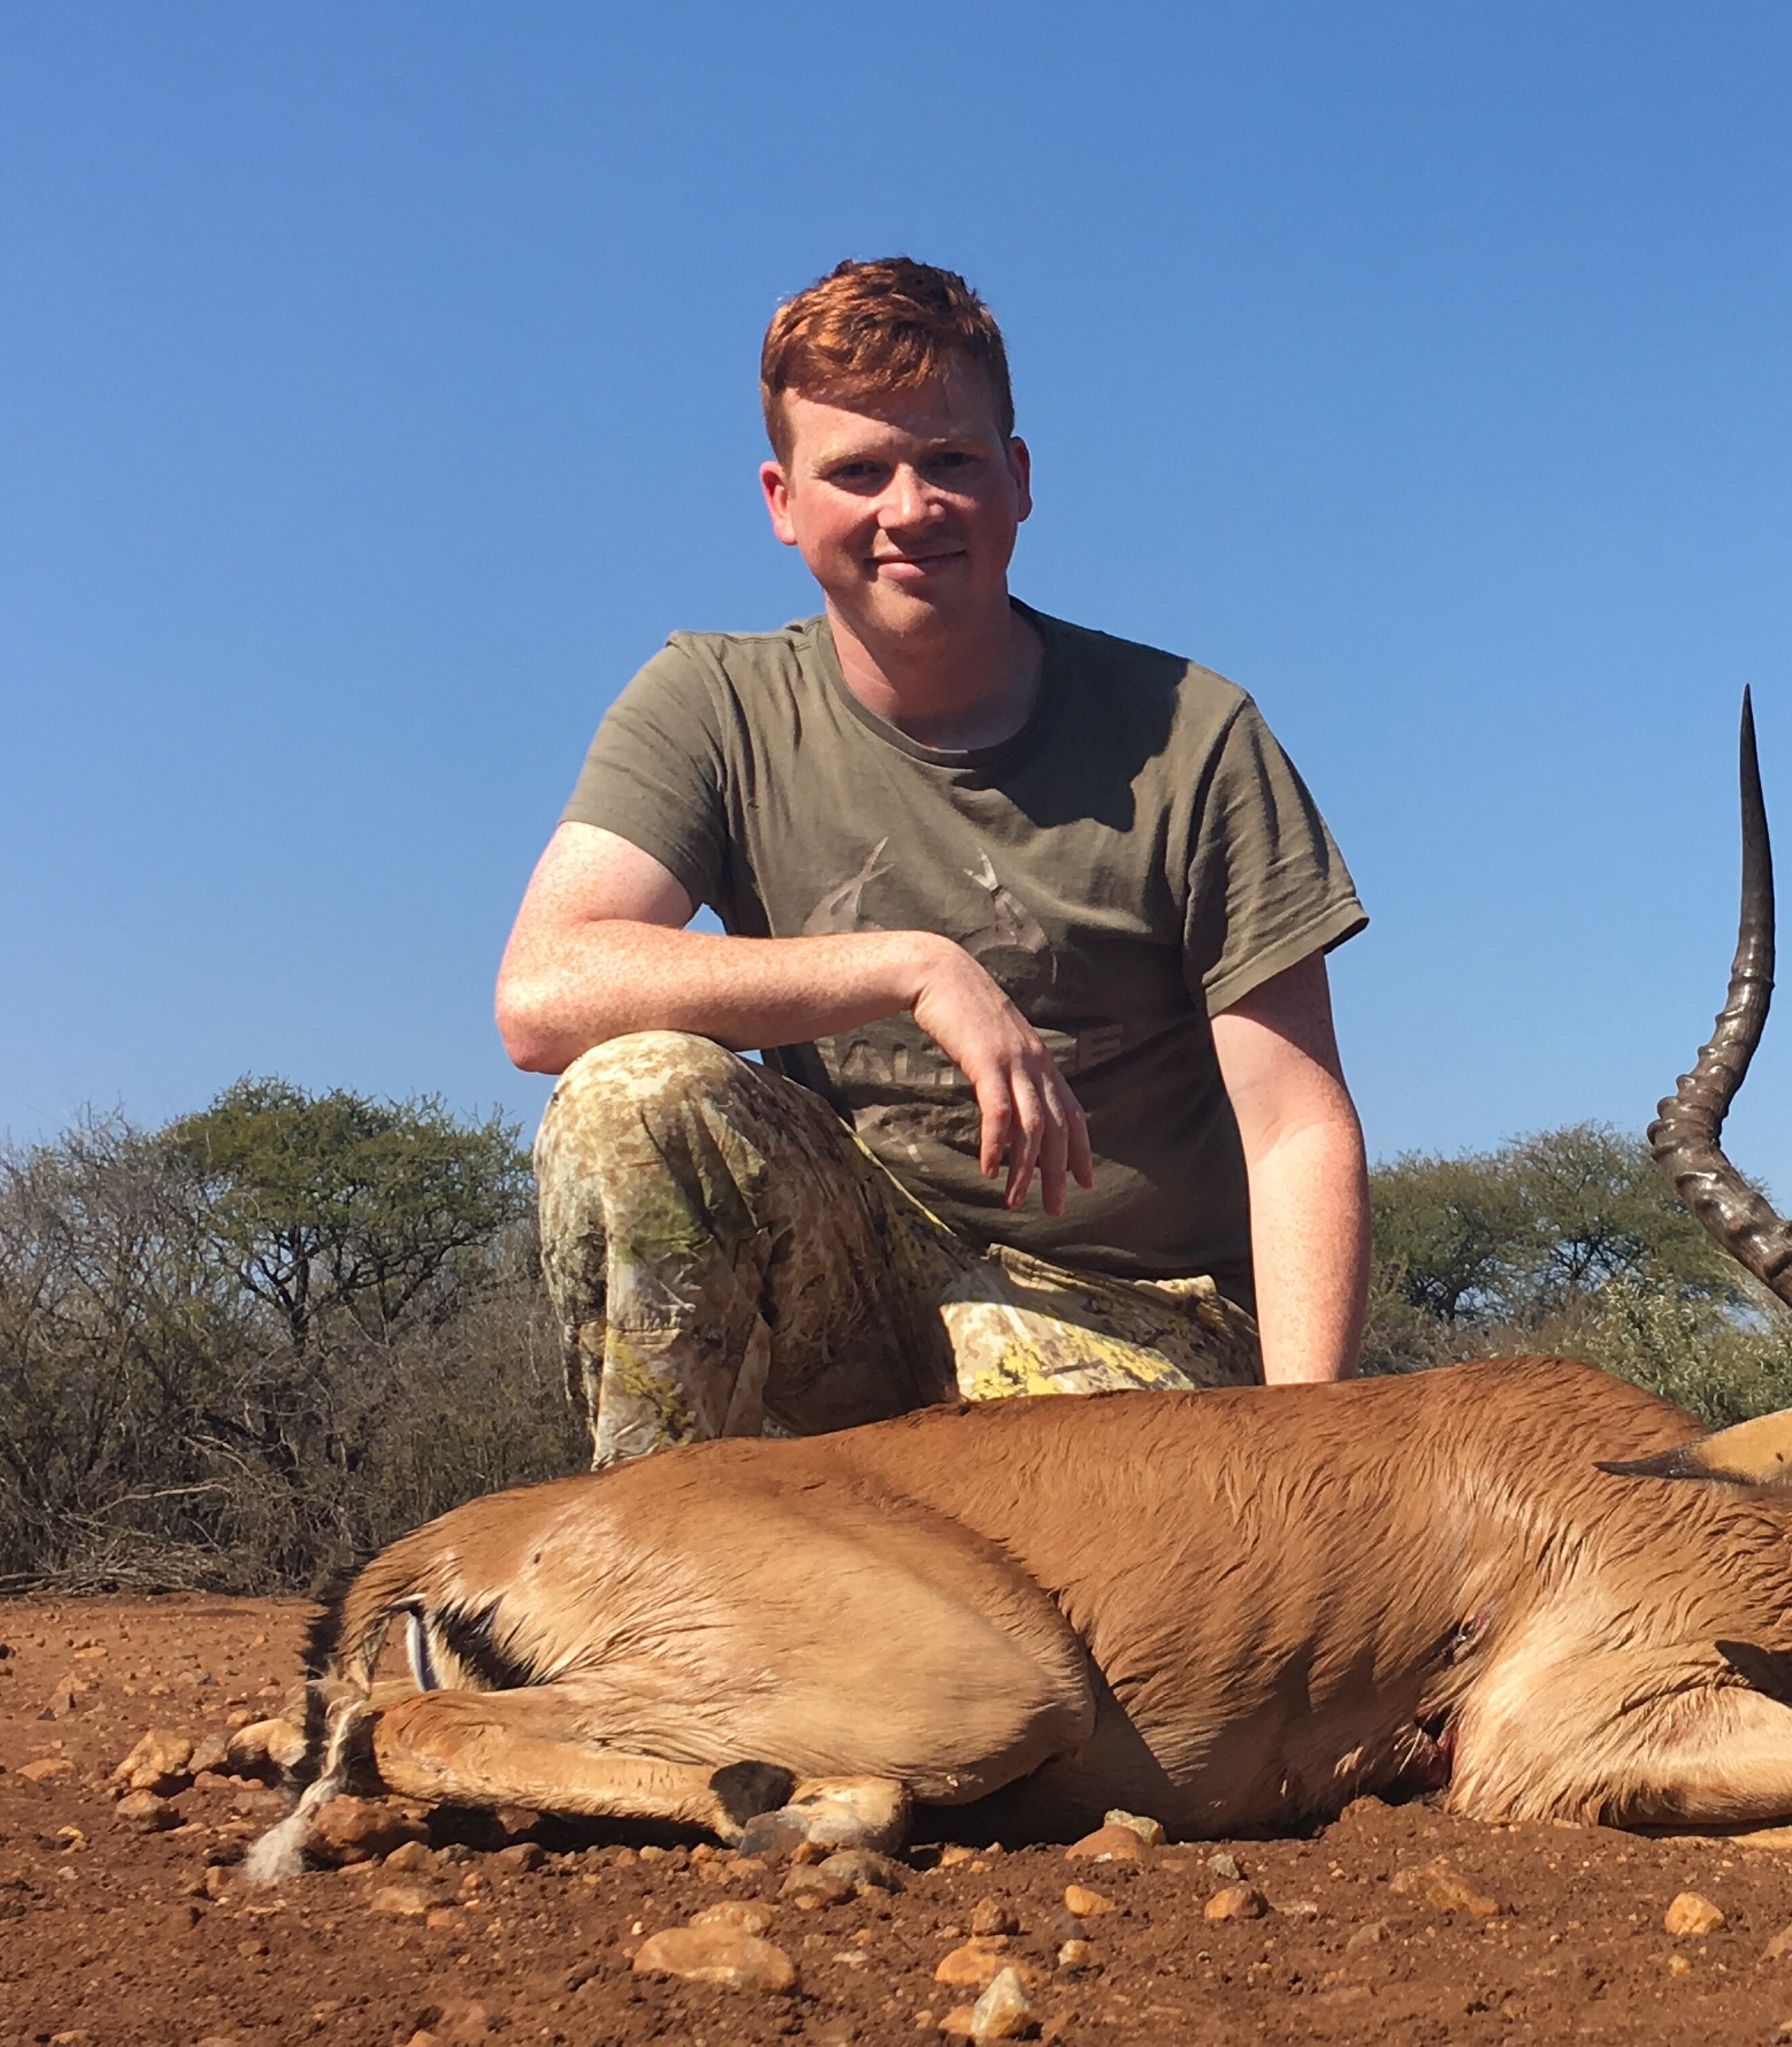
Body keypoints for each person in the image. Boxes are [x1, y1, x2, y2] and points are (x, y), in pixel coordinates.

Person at [495, 258, 1370, 1466]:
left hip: (1126, 1320)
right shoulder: (708, 696)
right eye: (857, 471)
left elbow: (1295, 1128)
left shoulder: (1196, 731)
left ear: (1016, 481)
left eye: (950, 461)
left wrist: (1311, 1447)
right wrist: (909, 966)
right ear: (782, 499)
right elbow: (544, 993)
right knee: (630, 1094)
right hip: (858, 1284)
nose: (909, 507)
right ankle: (654, 1574)